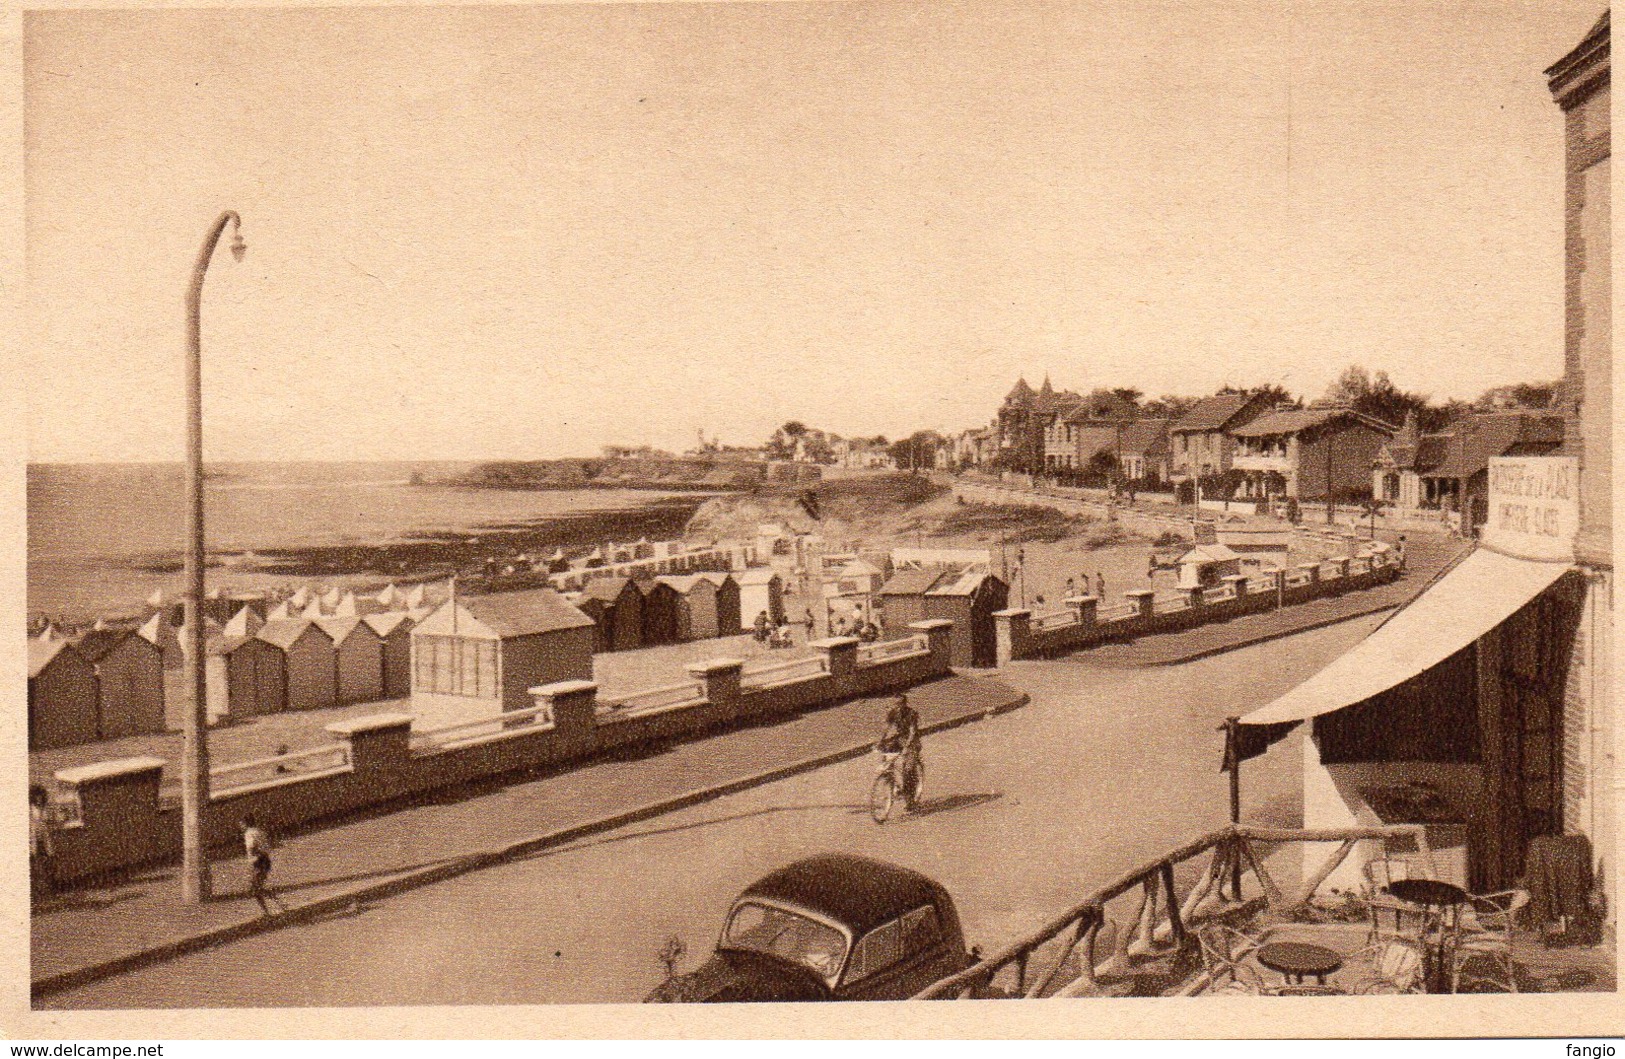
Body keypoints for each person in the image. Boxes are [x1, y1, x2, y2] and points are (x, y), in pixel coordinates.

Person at [876, 695, 922, 804]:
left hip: (912, 742)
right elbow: (886, 728)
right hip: (900, 738)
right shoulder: (893, 713)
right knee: (885, 750)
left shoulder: (911, 714)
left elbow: (912, 732)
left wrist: (906, 747)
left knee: (908, 770)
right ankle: (890, 778)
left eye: (899, 704)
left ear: (904, 704)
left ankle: (910, 800)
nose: (897, 707)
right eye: (895, 704)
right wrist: (880, 741)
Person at [240, 815, 286, 915]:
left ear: (245, 824)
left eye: (241, 824)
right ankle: (278, 905)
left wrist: (252, 861)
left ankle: (268, 911)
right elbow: (268, 845)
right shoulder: (259, 831)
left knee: (255, 889)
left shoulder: (249, 834)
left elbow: (252, 846)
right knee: (258, 888)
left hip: (258, 862)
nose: (240, 826)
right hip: (265, 860)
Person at [30, 785, 55, 904]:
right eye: (36, 797)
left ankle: (48, 891)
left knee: (47, 865)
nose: (38, 799)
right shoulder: (30, 809)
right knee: (37, 867)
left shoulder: (46, 809)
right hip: (35, 842)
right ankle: (40, 893)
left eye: (40, 797)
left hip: (44, 841)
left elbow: (50, 822)